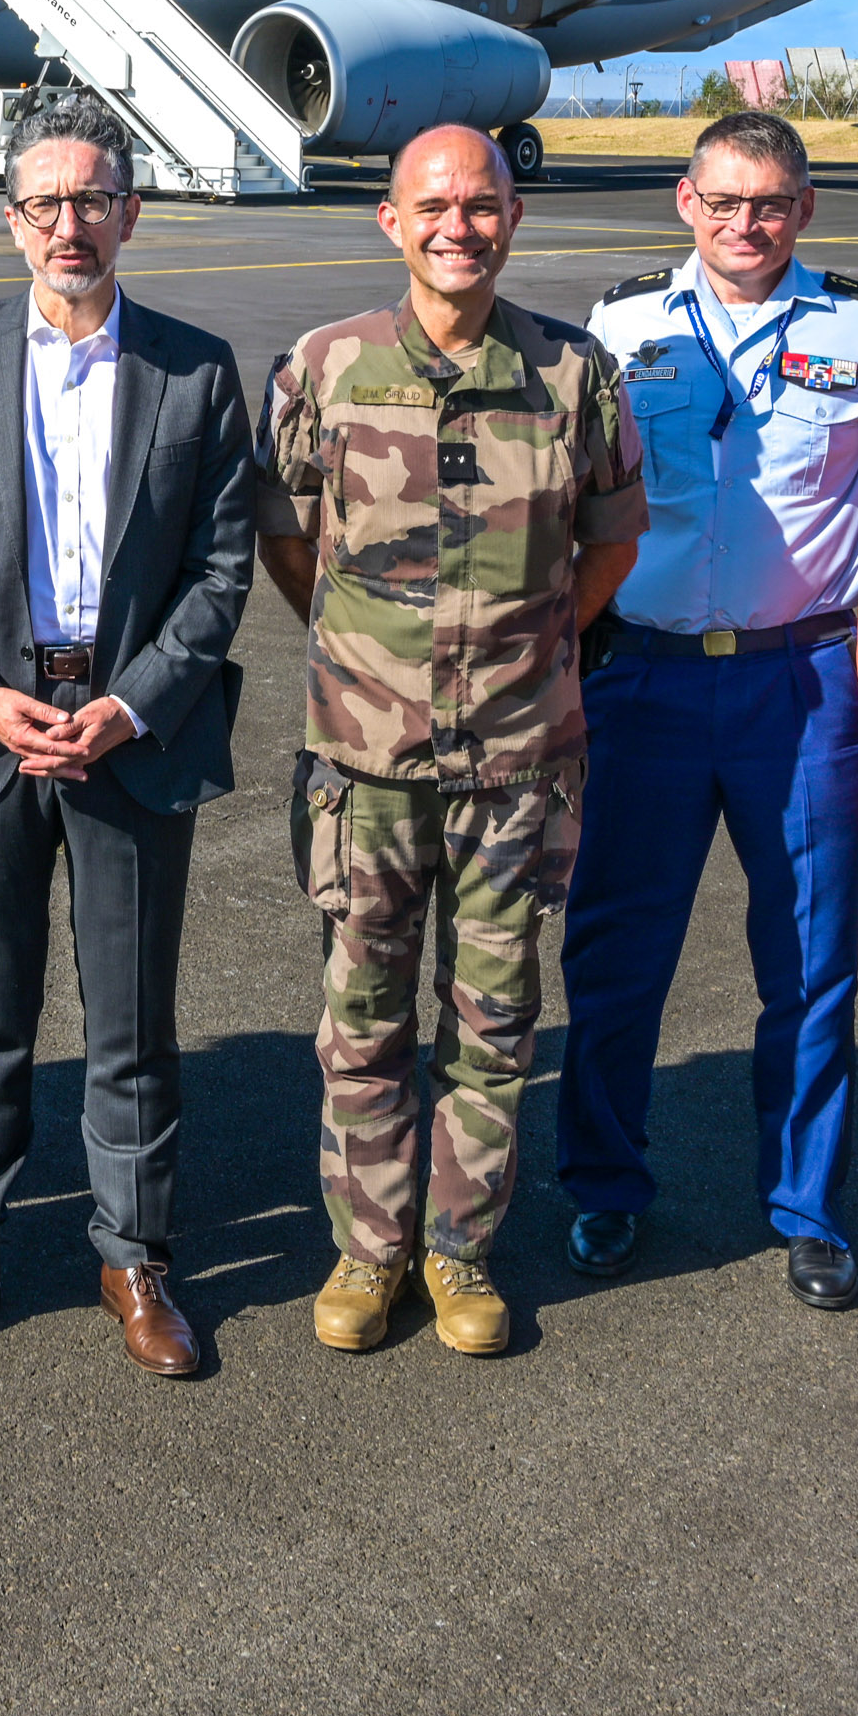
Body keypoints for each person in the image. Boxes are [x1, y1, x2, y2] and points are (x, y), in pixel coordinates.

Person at [0, 92, 256, 1377]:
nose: (68, 225)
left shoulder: (195, 370)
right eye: (44, 204)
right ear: (11, 222)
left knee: (132, 1020)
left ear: (130, 213)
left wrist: (133, 700)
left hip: (128, 731)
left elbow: (219, 570)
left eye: (92, 200)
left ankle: (133, 1256)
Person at [258, 126, 644, 1358]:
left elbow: (611, 546)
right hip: (365, 770)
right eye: (432, 206)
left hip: (518, 768)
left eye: (481, 205)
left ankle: (459, 1249)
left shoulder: (575, 372)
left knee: (492, 1028)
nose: (457, 227)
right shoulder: (326, 367)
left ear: (513, 218)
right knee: (360, 1019)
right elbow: (289, 544)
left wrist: (528, 654)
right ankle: (368, 1252)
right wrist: (375, 664)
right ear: (389, 220)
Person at [558, 110, 858, 1307]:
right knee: (617, 951)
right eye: (723, 202)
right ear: (684, 203)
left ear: (803, 207)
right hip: (646, 676)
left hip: (803, 680)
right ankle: (605, 1187)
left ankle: (807, 1204)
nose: (745, 225)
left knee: (811, 957)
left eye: (768, 203)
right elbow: (575, 498)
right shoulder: (621, 325)